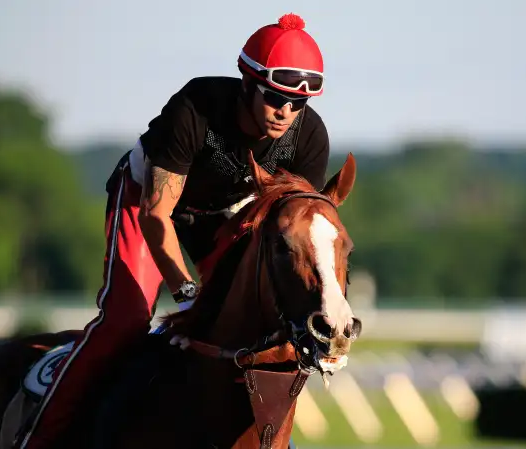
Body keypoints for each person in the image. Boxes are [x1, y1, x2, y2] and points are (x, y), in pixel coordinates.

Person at [18, 12, 330, 449]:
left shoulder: (309, 137)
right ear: (246, 83)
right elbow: (156, 215)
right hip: (147, 202)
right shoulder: (196, 106)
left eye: (297, 103)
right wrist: (186, 290)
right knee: (125, 321)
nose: (286, 111)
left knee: (258, 332)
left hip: (224, 216)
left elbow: (289, 230)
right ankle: (39, 437)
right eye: (274, 96)